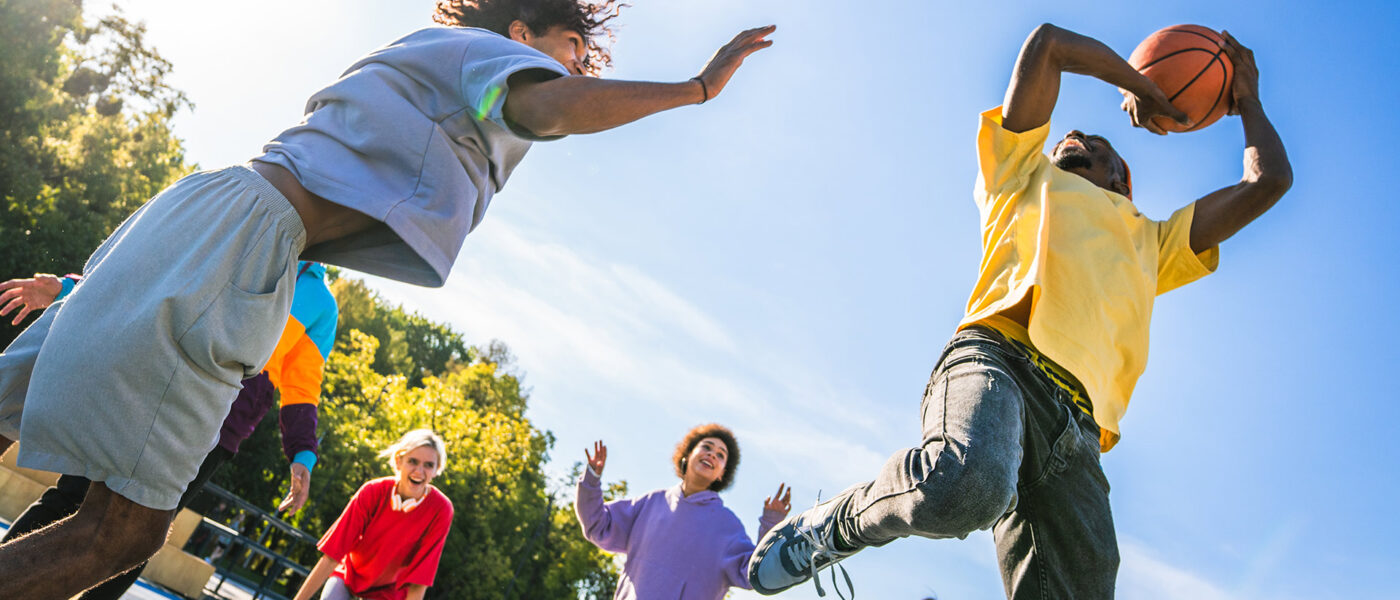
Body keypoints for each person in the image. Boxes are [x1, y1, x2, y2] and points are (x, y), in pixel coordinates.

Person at [0, 0, 775, 595]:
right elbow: (552, 106)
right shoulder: (493, 59)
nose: (576, 68)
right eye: (572, 49)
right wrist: (698, 88)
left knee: (25, 426)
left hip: (201, 207)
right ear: (523, 32)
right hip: (253, 234)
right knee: (122, 532)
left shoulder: (432, 57)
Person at [748, 24, 1291, 599]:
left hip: (1078, 429)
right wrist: (1144, 86)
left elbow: (1268, 180)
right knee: (965, 486)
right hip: (996, 359)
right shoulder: (1021, 177)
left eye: (1098, 146)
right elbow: (1050, 45)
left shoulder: (1154, 242)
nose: (1074, 134)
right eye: (1068, 138)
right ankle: (832, 526)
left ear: (1120, 182)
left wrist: (1248, 100)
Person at [0, 261, 338, 600]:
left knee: (136, 533)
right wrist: (69, 287)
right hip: (148, 385)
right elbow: (148, 278)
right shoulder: (239, 245)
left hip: (215, 428)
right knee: (72, 496)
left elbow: (302, 388)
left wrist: (303, 453)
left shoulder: (320, 303)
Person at [576, 424, 792, 599]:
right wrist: (591, 480)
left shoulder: (727, 526)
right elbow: (598, 525)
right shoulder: (651, 502)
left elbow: (753, 572)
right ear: (688, 455)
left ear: (721, 474)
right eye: (706, 447)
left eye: (720, 455)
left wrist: (771, 524)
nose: (712, 454)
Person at [292, 429, 453, 600]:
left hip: (390, 593)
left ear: (437, 470)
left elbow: (419, 580)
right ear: (399, 461)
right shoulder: (372, 492)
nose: (419, 471)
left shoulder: (441, 510)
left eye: (429, 465)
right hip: (350, 575)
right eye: (413, 461)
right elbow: (332, 555)